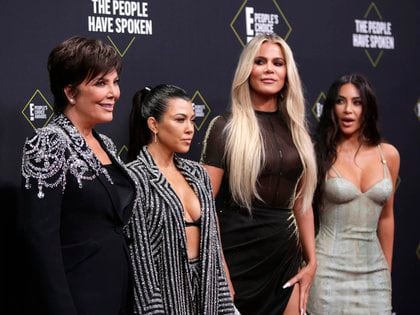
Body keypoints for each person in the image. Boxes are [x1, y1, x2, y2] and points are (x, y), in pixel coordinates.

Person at [201, 33, 317, 315]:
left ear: (287, 73)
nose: (269, 69)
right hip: (236, 256)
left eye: (278, 63)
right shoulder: (225, 127)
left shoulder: (298, 133)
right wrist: (219, 267)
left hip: (284, 257)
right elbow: (204, 203)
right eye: (260, 61)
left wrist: (311, 261)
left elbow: (302, 204)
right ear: (247, 71)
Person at [21, 36, 135, 315]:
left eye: (115, 81)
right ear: (70, 92)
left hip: (118, 292)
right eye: (100, 83)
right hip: (79, 296)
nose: (114, 93)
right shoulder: (47, 143)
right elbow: (40, 239)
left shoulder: (105, 144)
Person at [125, 84, 236, 314]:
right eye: (180, 120)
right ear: (153, 124)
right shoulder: (134, 177)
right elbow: (142, 263)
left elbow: (213, 251)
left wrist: (225, 305)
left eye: (192, 120)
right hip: (166, 298)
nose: (190, 129)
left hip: (208, 295)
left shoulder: (198, 175)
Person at [307, 74, 400, 314]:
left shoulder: (388, 154)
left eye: (357, 102)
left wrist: (385, 271)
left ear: (367, 107)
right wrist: (309, 264)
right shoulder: (316, 154)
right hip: (327, 269)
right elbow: (302, 211)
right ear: (331, 107)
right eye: (341, 101)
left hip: (375, 271)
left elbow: (387, 217)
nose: (348, 110)